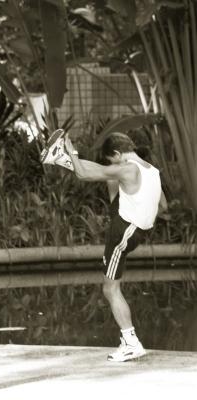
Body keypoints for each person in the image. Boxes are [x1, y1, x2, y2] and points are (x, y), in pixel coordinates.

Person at [41, 130, 167, 362]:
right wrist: (141, 215)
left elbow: (83, 174)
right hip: (135, 229)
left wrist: (73, 152)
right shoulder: (153, 171)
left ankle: (131, 343)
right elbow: (163, 206)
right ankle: (58, 157)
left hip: (123, 231)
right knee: (108, 176)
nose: (112, 164)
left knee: (110, 289)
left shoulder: (128, 168)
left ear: (118, 154)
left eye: (111, 160)